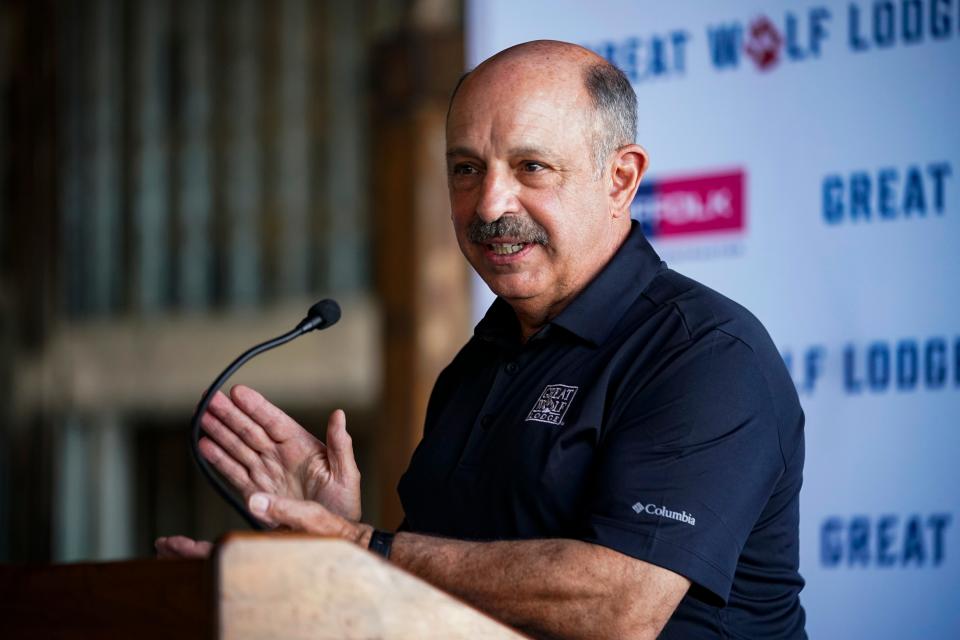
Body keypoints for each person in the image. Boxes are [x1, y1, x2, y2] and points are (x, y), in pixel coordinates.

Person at [157, 40, 807, 639]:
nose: (490, 204)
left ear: (621, 179)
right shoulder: (476, 367)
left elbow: (620, 605)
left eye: (531, 166)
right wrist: (309, 559)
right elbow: (426, 607)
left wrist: (358, 548)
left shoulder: (706, 354)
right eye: (466, 168)